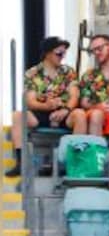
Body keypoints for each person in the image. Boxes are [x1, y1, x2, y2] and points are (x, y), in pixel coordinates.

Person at [7, 36, 83, 176]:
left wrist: (65, 110)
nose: (62, 56)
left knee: (80, 115)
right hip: (41, 112)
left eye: (64, 53)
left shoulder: (69, 72)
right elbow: (30, 101)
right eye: (59, 53)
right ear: (48, 53)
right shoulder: (32, 73)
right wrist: (47, 106)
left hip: (64, 113)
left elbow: (74, 96)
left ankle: (75, 163)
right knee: (17, 115)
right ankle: (21, 163)